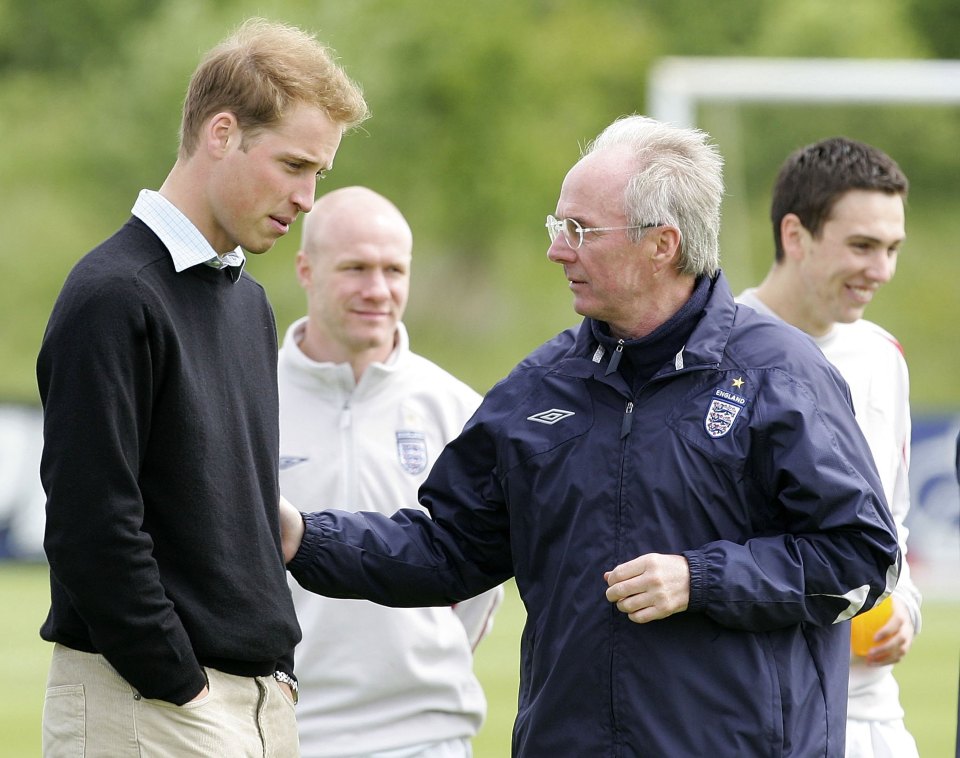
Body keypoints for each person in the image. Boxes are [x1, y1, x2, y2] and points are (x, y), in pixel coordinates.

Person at [279, 115, 900, 756]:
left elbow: (859, 556)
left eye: (579, 230)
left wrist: (700, 578)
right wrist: (302, 536)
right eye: (558, 226)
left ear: (661, 244)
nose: (557, 249)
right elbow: (447, 550)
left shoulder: (779, 374)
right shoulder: (542, 386)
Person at [36, 18, 367, 757]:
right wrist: (179, 685)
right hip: (149, 706)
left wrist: (269, 677)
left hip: (254, 706)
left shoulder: (247, 301)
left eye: (320, 174)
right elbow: (93, 530)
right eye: (294, 165)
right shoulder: (113, 296)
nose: (309, 197)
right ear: (222, 133)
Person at [278, 186, 503, 758]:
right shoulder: (247, 399)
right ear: (306, 269)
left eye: (393, 270)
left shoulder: (459, 410)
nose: (376, 290)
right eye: (355, 268)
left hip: (425, 736)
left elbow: (481, 579)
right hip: (281, 731)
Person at [737, 136, 922, 758]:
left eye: (892, 248)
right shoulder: (718, 353)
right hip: (757, 716)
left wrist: (904, 615)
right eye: (863, 246)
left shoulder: (883, 356)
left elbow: (890, 529)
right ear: (796, 235)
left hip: (872, 718)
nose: (883, 270)